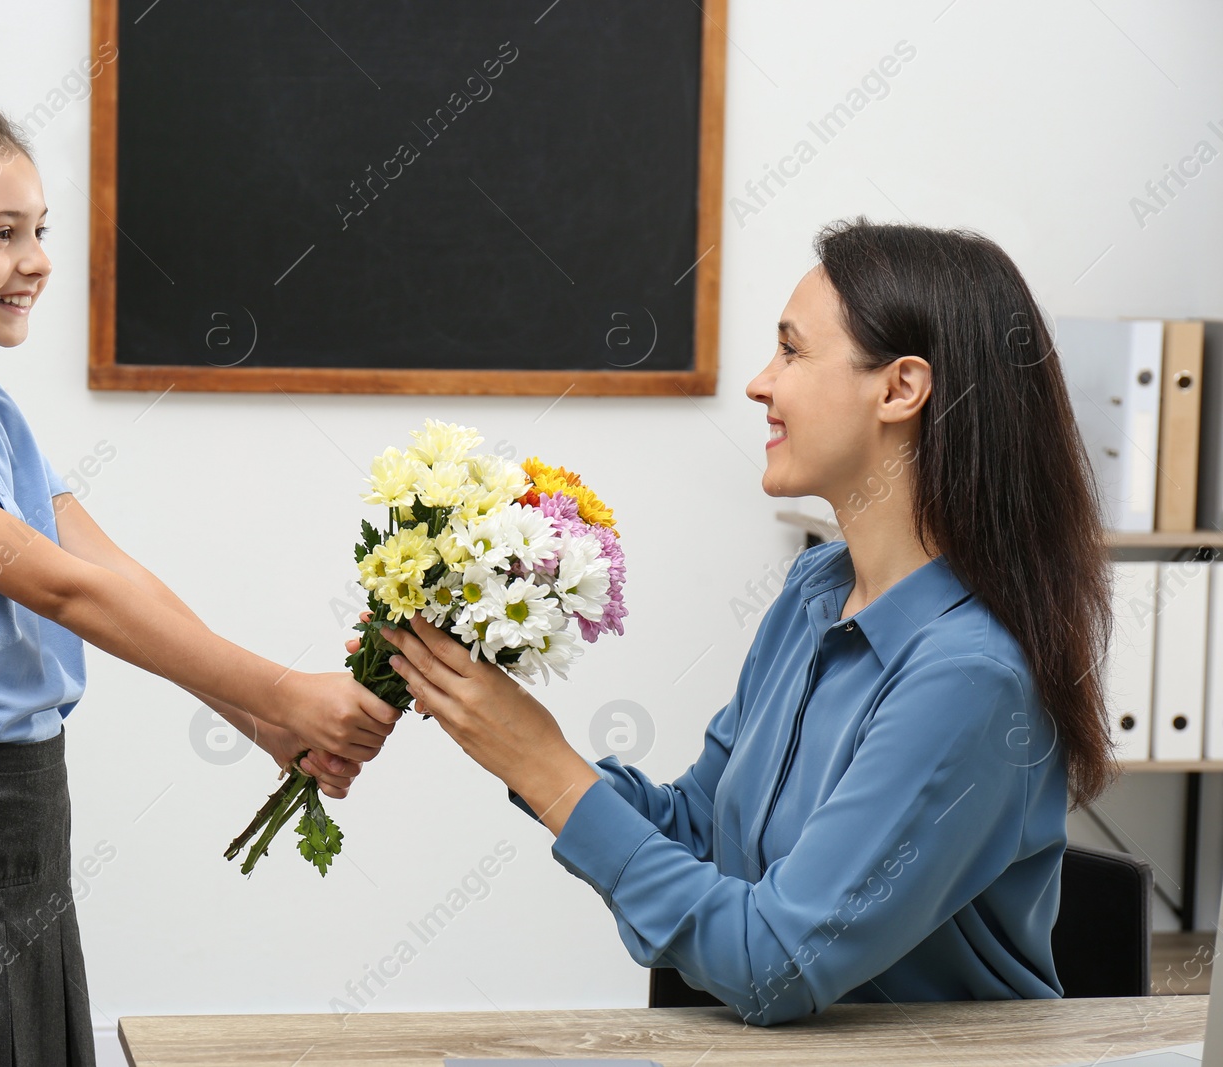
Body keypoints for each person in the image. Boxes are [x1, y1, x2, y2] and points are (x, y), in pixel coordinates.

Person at [0, 93, 400, 1065]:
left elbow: (110, 568)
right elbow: (61, 591)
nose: (38, 260)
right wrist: (278, 690)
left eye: (40, 230)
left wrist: (255, 713)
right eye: (3, 232)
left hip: (23, 812)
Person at [361, 217, 1117, 1026]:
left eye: (791, 351)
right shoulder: (817, 590)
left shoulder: (969, 679)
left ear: (900, 389)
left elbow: (773, 966)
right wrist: (502, 727)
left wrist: (548, 769)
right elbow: (701, 828)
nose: (761, 384)